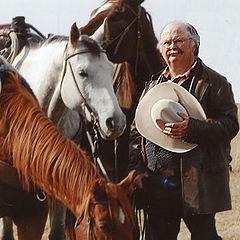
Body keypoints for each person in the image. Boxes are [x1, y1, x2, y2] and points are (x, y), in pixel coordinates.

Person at [129, 21, 239, 240]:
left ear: (194, 46)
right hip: (157, 181)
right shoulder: (152, 84)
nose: (172, 46)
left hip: (199, 181)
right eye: (167, 42)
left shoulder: (215, 83)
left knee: (204, 236)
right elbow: (136, 132)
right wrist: (137, 168)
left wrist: (192, 129)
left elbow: (230, 125)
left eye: (179, 41)